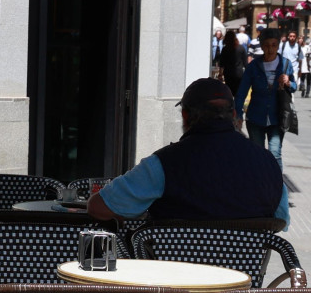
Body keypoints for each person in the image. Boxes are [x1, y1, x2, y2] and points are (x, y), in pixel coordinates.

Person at [88, 78, 289, 225]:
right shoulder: (268, 163)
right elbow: (281, 220)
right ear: (234, 114)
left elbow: (98, 207)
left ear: (185, 115)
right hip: (242, 278)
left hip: (175, 279)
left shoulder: (164, 164)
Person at [236, 28, 297, 168]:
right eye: (267, 45)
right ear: (262, 46)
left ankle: (276, 188)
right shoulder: (253, 67)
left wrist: (288, 82)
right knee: (257, 155)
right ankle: (258, 186)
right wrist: (238, 114)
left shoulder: (286, 64)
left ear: (278, 45)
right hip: (256, 117)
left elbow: (294, 87)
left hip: (277, 117)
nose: (270, 49)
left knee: (275, 154)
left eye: (274, 45)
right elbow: (242, 92)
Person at [215, 31, 248, 96]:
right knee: (238, 93)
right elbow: (245, 63)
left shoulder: (225, 49)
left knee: (229, 92)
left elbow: (222, 64)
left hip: (228, 74)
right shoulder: (241, 48)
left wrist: (220, 74)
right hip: (239, 74)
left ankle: (230, 105)